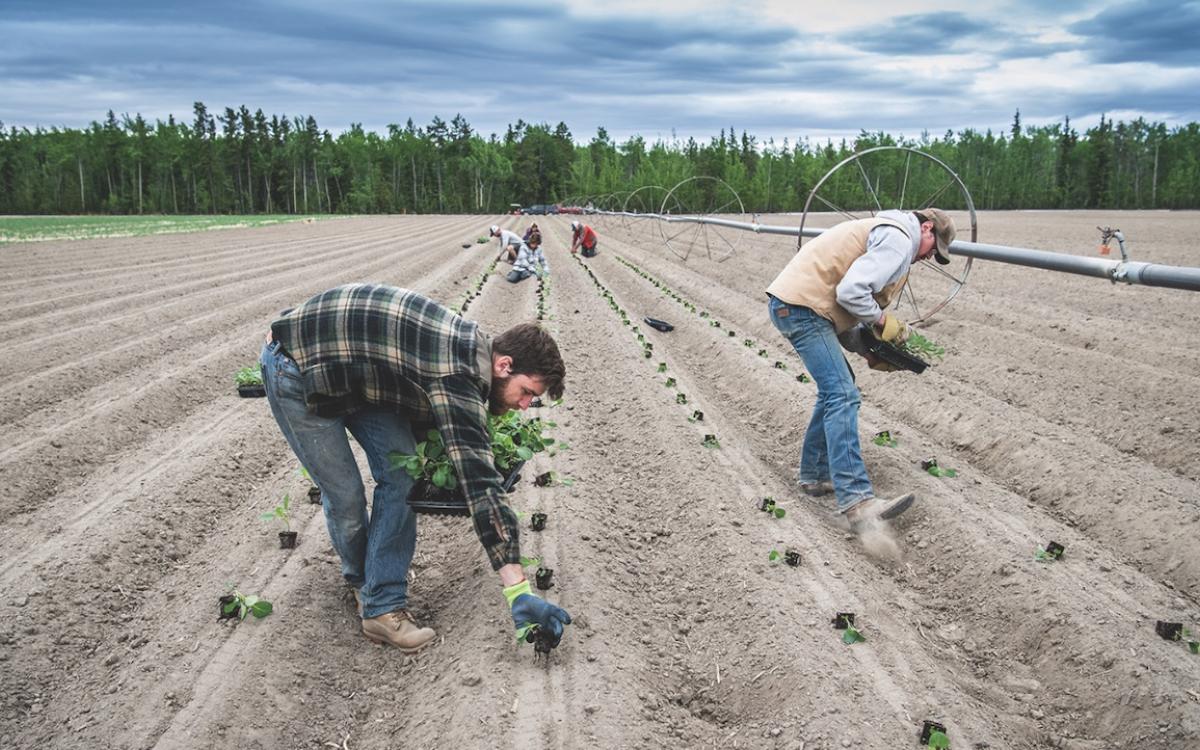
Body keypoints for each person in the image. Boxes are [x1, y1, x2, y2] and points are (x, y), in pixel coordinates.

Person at [261, 284, 571, 652]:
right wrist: (518, 591)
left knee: (402, 476)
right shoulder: (458, 373)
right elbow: (482, 485)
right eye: (527, 392)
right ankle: (373, 599)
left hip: (357, 375)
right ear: (504, 366)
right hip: (296, 370)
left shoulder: (476, 351)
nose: (524, 405)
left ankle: (379, 588)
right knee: (345, 494)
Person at [765, 208, 957, 530]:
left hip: (798, 306)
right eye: (934, 249)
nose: (930, 257)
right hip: (803, 309)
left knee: (836, 388)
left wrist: (869, 349)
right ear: (926, 229)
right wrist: (883, 322)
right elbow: (851, 293)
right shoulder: (898, 238)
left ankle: (815, 474)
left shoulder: (888, 233)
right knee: (842, 393)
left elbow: (842, 309)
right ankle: (858, 502)